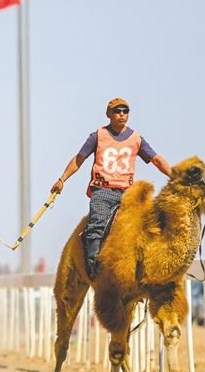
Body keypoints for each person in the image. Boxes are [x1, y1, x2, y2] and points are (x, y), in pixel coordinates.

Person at [50, 97, 172, 277]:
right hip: (103, 191)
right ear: (109, 114)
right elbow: (78, 159)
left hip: (128, 193)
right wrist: (62, 180)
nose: (121, 114)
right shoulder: (98, 136)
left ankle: (149, 268)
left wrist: (174, 176)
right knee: (96, 225)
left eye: (125, 111)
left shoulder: (136, 139)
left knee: (148, 223)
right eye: (117, 111)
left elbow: (156, 160)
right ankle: (94, 270)